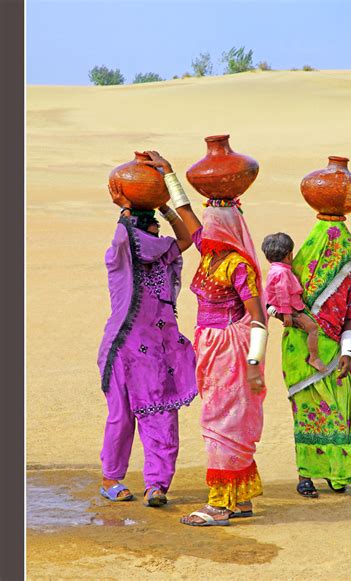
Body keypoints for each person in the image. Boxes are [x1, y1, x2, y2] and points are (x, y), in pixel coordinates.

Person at [140, 150, 268, 527]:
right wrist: (168, 180)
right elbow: (191, 221)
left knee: (222, 424)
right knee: (220, 420)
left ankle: (220, 505)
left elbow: (258, 317)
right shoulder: (211, 253)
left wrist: (255, 364)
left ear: (224, 230)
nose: (204, 232)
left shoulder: (237, 265)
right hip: (211, 348)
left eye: (212, 226)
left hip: (231, 350)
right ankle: (239, 498)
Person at [97, 177, 198, 507]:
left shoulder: (164, 254)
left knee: (162, 416)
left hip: (158, 352)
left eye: (157, 232)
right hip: (123, 349)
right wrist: (125, 210)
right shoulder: (120, 258)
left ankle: (157, 485)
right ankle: (111, 478)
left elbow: (186, 238)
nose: (157, 239)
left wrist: (165, 207)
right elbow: (124, 236)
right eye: (151, 232)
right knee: (121, 417)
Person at [274, 220, 351, 497]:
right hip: (302, 356)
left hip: (323, 356)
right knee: (309, 413)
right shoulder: (294, 271)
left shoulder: (347, 277)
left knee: (329, 413)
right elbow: (273, 305)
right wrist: (292, 318)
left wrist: (347, 353)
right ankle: (306, 474)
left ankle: (334, 470)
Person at [262, 232, 327, 372]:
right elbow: (282, 293)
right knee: (313, 328)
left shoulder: (275, 269)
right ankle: (314, 358)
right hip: (288, 309)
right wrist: (287, 314)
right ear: (289, 255)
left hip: (279, 306)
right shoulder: (282, 273)